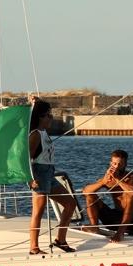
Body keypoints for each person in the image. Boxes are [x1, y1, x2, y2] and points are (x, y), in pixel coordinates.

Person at [27, 99, 76, 254]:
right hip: (39, 174)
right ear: (40, 117)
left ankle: (60, 240)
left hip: (49, 173)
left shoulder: (44, 132)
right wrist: (30, 179)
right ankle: (34, 247)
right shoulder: (35, 135)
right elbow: (27, 158)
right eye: (48, 115)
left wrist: (36, 101)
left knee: (70, 203)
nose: (51, 118)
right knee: (38, 211)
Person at [81, 149, 133, 242]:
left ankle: (120, 233)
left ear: (125, 164)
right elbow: (85, 192)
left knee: (130, 197)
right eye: (114, 164)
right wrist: (103, 182)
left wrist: (118, 179)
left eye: (120, 164)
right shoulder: (108, 178)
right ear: (110, 163)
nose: (116, 167)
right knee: (90, 196)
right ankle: (95, 227)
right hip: (116, 220)